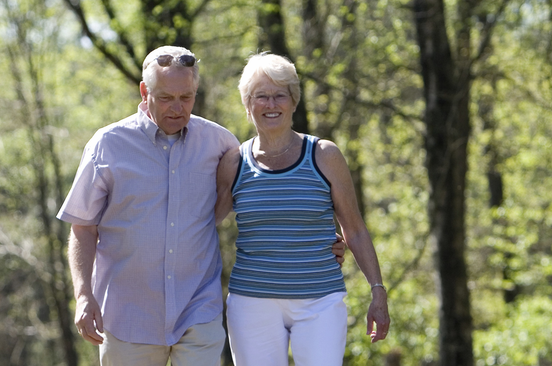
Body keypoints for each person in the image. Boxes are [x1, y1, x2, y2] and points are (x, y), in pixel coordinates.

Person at [57, 46, 345, 366]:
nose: (178, 108)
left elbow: (263, 200)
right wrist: (84, 295)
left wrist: (319, 241)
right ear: (144, 91)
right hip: (128, 317)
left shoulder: (221, 144)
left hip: (198, 312)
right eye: (166, 97)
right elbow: (83, 226)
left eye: (187, 97)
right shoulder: (107, 145)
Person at [214, 52, 390, 366]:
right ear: (247, 104)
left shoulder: (324, 155)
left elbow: (355, 229)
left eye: (280, 95)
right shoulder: (233, 162)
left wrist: (378, 290)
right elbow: (203, 225)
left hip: (320, 301)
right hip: (252, 302)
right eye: (261, 96)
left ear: (294, 101)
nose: (271, 104)